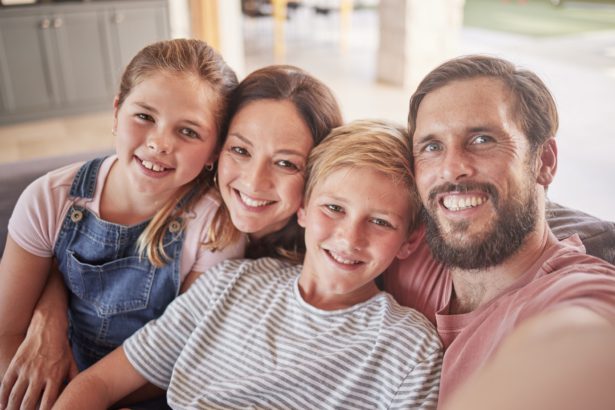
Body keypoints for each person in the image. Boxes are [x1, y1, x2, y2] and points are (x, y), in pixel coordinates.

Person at [0, 62, 343, 409]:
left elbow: (173, 358)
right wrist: (50, 309)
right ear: (218, 151)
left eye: (286, 163)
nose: (254, 182)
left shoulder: (304, 266)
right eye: (240, 150)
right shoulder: (180, 190)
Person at [53, 120, 443, 410]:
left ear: (409, 241)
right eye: (334, 208)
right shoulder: (231, 284)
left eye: (379, 222)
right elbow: (100, 384)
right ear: (303, 208)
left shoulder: (408, 349)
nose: (349, 237)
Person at [382, 54, 615, 408]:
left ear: (544, 162)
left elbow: (585, 341)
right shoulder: (400, 249)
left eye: (482, 140)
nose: (451, 169)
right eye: (432, 146)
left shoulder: (577, 291)